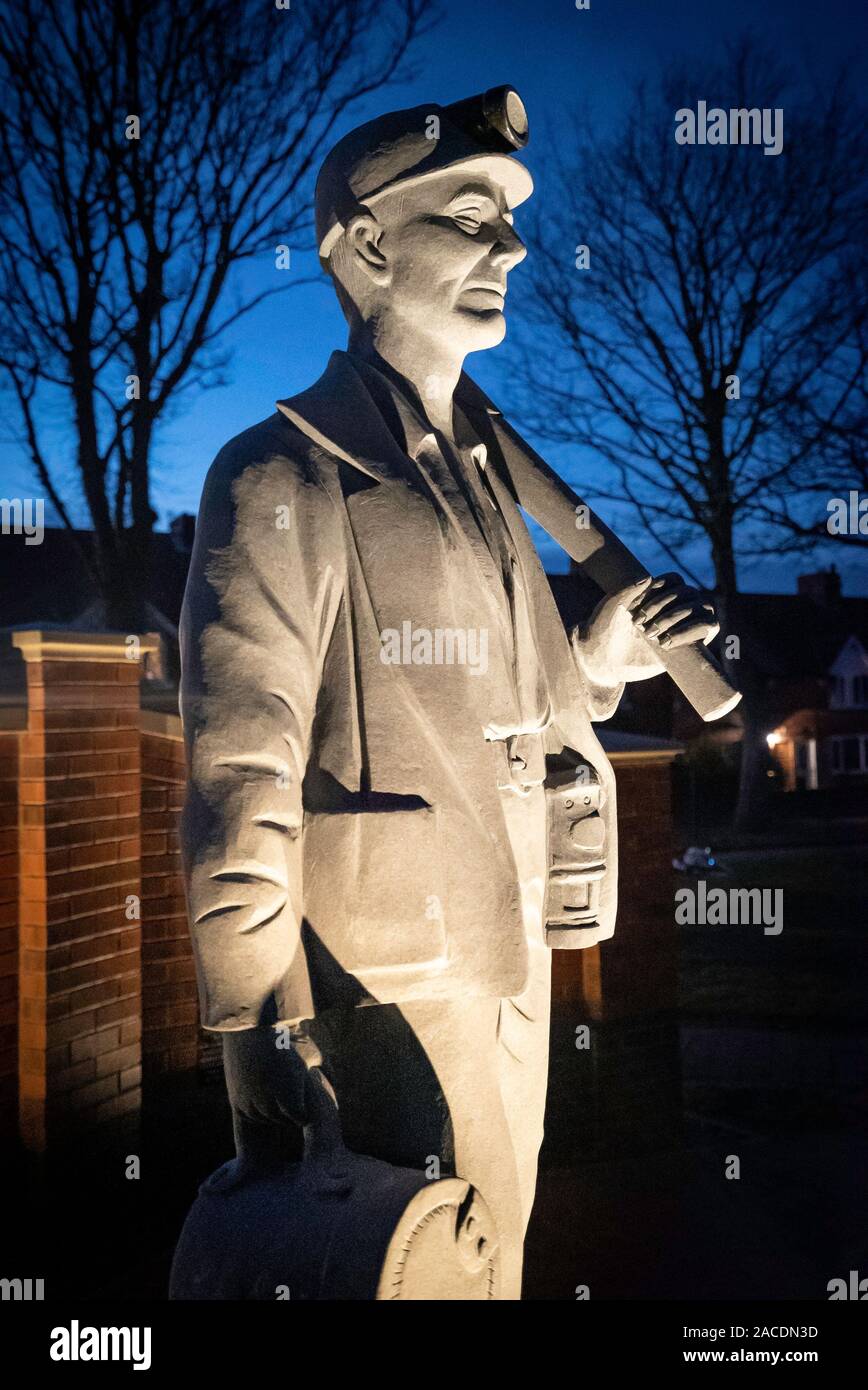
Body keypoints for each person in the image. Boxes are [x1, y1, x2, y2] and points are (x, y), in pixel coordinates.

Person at [179, 86, 718, 1298]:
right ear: (369, 246)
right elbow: (239, 766)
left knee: (492, 1262)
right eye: (471, 215)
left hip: (506, 949)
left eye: (510, 220)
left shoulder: (484, 481)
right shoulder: (283, 475)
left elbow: (507, 706)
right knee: (413, 1265)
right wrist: (257, 1017)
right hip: (385, 983)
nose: (511, 248)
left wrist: (596, 660)